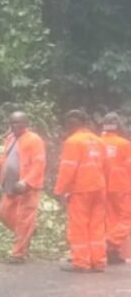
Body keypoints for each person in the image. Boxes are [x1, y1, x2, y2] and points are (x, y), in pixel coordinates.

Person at [54, 110, 108, 273]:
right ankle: (98, 262)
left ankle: (81, 262)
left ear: (72, 124)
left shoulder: (73, 141)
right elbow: (105, 166)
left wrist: (59, 190)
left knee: (79, 226)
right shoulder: (98, 141)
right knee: (97, 226)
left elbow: (67, 169)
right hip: (99, 187)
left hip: (81, 189)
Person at [0, 112, 46, 264]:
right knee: (4, 214)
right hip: (9, 185)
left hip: (26, 188)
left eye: (18, 123)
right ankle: (26, 234)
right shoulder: (10, 138)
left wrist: (26, 182)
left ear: (26, 123)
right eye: (12, 123)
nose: (15, 126)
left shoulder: (34, 140)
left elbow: (39, 164)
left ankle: (18, 253)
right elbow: (7, 158)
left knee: (23, 220)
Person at [101, 112, 131, 264]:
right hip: (121, 185)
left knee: (111, 218)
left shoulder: (98, 142)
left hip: (103, 186)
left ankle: (112, 253)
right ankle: (110, 241)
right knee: (127, 218)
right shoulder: (124, 144)